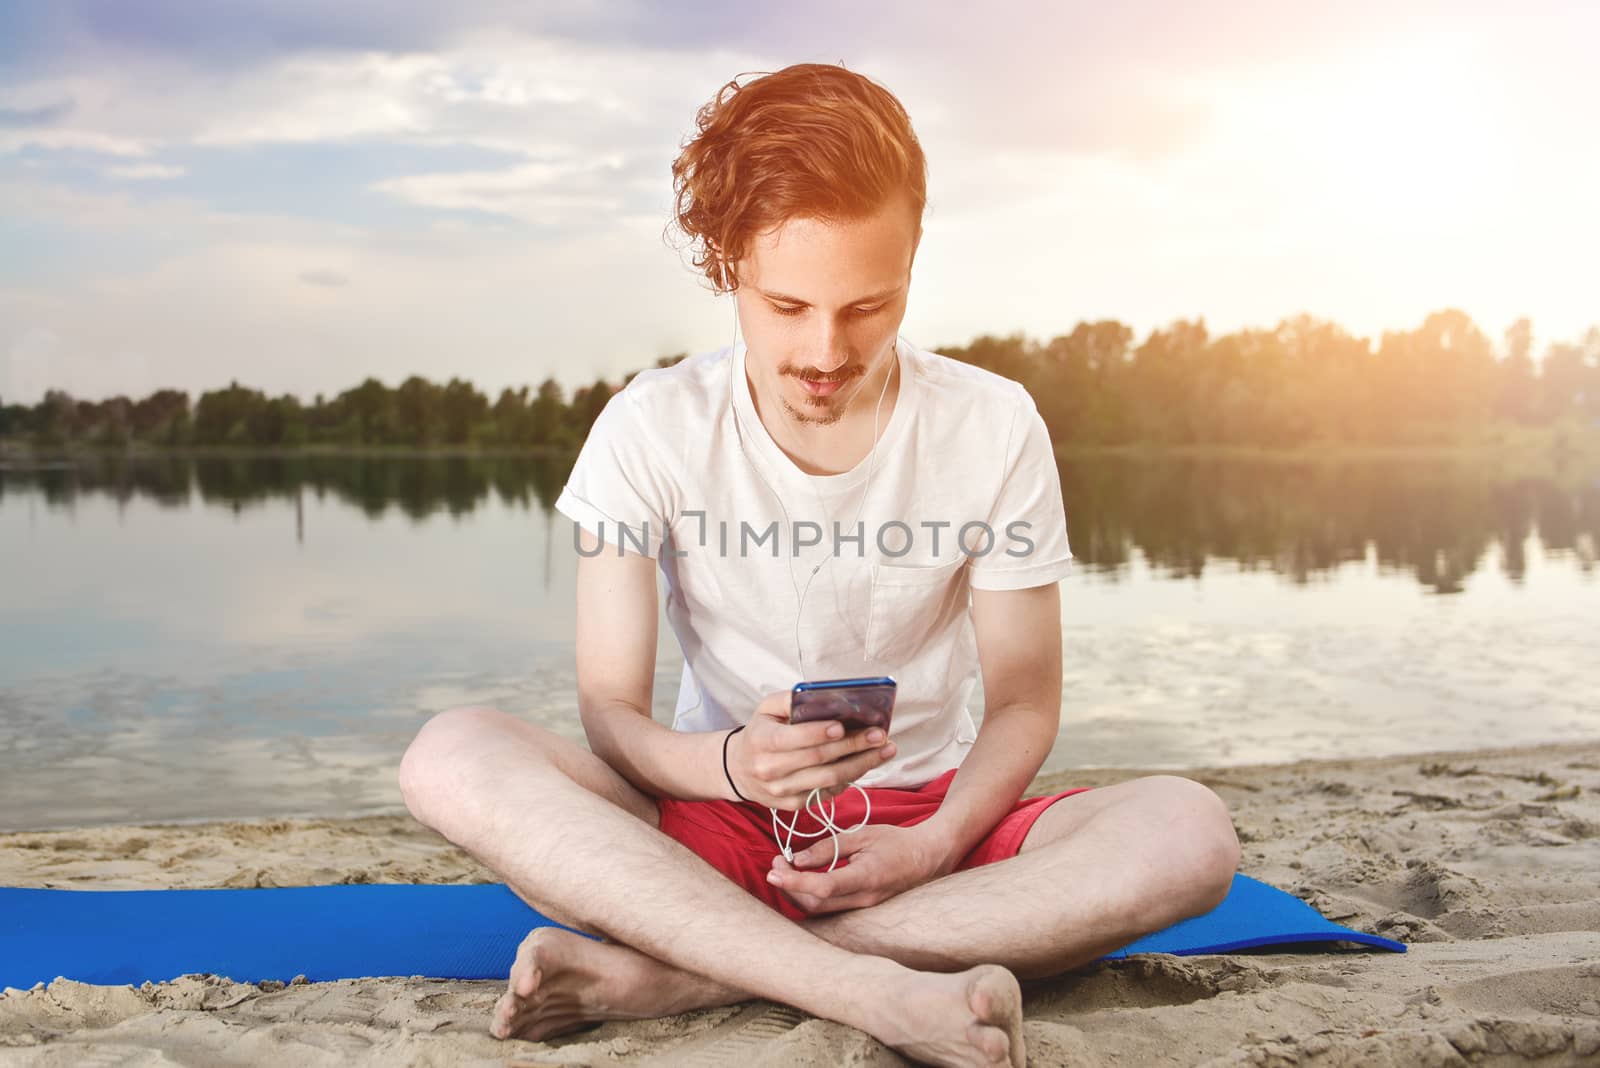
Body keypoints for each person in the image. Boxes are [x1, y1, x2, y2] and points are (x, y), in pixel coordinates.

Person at [398, 62, 1240, 1068]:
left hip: (938, 834)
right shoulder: (645, 428)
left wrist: (930, 847)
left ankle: (692, 970)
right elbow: (611, 717)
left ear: (915, 259)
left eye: (868, 305)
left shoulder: (994, 423)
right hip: (713, 822)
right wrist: (727, 767)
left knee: (1190, 833)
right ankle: (857, 983)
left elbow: (1022, 703)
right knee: (448, 757)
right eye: (786, 304)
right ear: (724, 264)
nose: (825, 351)